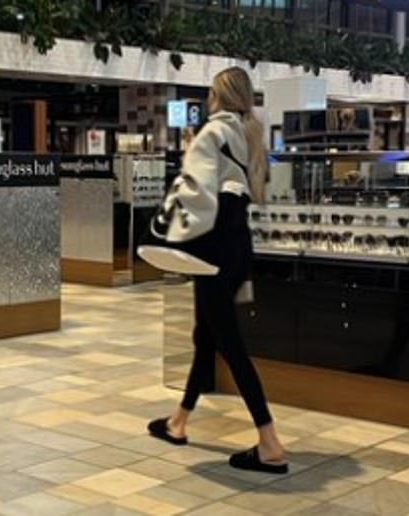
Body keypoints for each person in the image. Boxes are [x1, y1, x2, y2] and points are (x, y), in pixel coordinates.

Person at [148, 67, 287, 474]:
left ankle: (270, 441)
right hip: (237, 244)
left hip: (212, 246)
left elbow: (193, 192)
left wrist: (172, 233)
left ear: (217, 96)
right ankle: (179, 421)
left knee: (229, 344)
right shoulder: (250, 133)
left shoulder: (212, 133)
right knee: (205, 335)